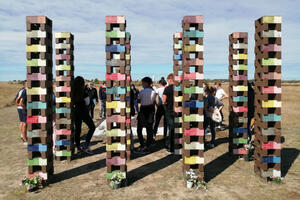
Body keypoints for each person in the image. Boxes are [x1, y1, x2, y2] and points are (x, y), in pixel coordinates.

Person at [72, 76, 96, 154]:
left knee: (77, 130)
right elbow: (87, 102)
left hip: (75, 111)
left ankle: (78, 147)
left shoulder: (72, 92)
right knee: (92, 127)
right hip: (83, 111)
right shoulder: (83, 91)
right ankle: (86, 145)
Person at [136, 77, 156, 153]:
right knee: (149, 129)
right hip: (151, 109)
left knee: (139, 129)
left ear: (146, 83)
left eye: (143, 83)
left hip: (143, 110)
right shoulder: (153, 92)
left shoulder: (142, 92)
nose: (142, 84)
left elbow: (138, 100)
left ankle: (142, 144)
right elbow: (154, 102)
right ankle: (148, 145)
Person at [162, 73, 175, 153]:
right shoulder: (179, 88)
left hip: (169, 111)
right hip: (178, 111)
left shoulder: (167, 89)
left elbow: (164, 100)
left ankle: (171, 147)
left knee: (171, 129)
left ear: (170, 80)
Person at [153, 77, 168, 145]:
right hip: (166, 106)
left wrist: (156, 104)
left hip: (160, 106)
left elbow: (153, 98)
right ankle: (165, 136)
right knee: (165, 122)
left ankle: (154, 135)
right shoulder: (166, 89)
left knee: (157, 122)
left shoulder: (158, 89)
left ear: (160, 83)